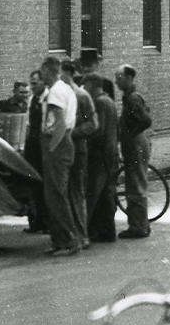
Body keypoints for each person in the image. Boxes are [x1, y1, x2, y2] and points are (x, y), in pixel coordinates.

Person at [38, 56, 81, 256]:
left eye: (42, 71)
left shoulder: (55, 91)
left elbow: (60, 124)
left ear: (49, 70)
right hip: (64, 143)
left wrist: (51, 149)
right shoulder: (66, 89)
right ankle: (59, 240)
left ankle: (70, 239)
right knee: (54, 195)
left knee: (55, 196)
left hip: (57, 144)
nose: (40, 75)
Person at [61, 60, 97, 250]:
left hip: (77, 148)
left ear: (69, 75)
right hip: (62, 149)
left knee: (76, 192)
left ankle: (82, 236)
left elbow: (93, 123)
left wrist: (72, 133)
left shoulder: (82, 96)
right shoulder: (59, 95)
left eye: (62, 75)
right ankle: (70, 234)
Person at [116, 64, 152, 239]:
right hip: (136, 143)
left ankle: (138, 227)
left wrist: (130, 135)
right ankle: (141, 224)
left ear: (129, 78)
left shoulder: (132, 98)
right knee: (136, 182)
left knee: (135, 185)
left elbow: (146, 120)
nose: (117, 81)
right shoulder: (130, 97)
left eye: (119, 77)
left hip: (135, 145)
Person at [82, 73, 119, 244]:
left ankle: (86, 232)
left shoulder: (98, 102)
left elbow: (98, 130)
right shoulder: (109, 101)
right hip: (110, 153)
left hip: (99, 154)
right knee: (106, 194)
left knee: (93, 193)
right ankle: (107, 232)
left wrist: (86, 141)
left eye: (86, 85)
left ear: (92, 85)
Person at [22, 70, 47, 234]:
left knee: (45, 184)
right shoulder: (32, 99)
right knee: (33, 183)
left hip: (43, 144)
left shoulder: (48, 99)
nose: (33, 87)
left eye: (35, 83)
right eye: (31, 83)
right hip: (32, 144)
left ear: (43, 83)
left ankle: (47, 222)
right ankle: (35, 222)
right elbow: (29, 124)